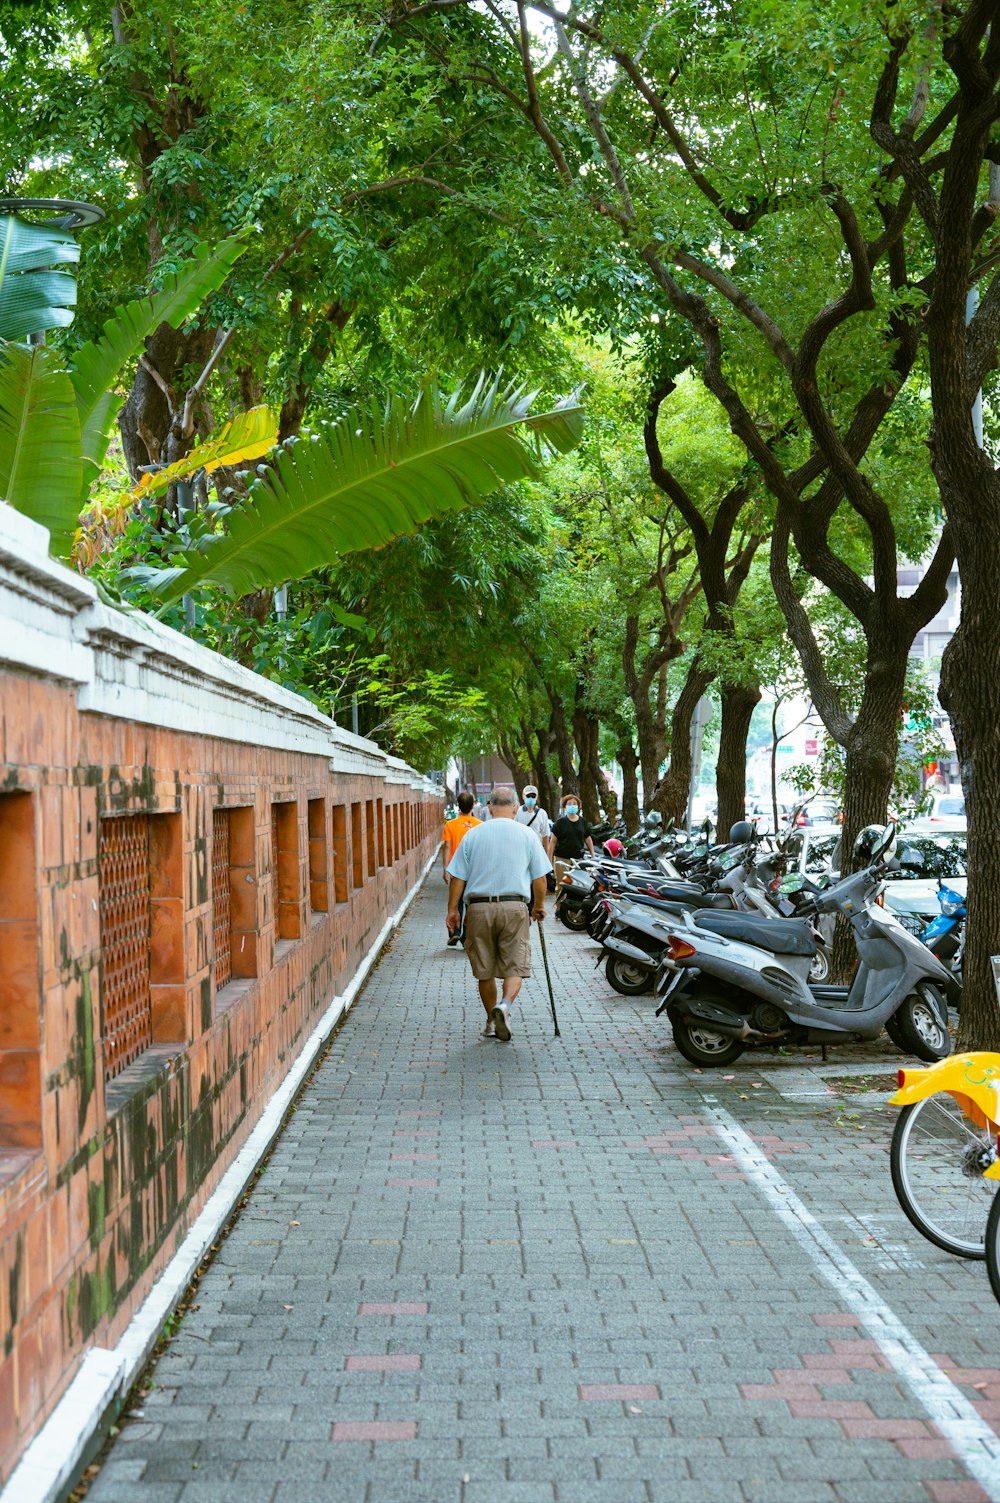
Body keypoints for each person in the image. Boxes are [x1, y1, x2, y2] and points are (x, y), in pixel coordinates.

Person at [445, 786, 552, 1041]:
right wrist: (538, 906)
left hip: (478, 909)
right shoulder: (527, 834)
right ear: (515, 808)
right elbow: (540, 879)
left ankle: (491, 1023)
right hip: (514, 907)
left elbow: (457, 877)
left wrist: (452, 911)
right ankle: (504, 1006)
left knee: (485, 969)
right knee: (515, 964)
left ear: (490, 808)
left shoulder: (474, 834)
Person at [442, 793, 481, 946]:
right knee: (470, 903)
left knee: (455, 901)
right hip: (474, 869)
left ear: (458, 806)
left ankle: (454, 932)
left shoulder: (450, 825)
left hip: (456, 870)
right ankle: (466, 935)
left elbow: (446, 847)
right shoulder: (480, 825)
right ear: (472, 806)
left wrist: (445, 868)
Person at [548, 791, 596, 887]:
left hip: (578, 860)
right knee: (561, 885)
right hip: (562, 859)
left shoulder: (582, 822)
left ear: (578, 806)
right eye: (569, 804)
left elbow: (588, 839)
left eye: (575, 804)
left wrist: (593, 856)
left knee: (577, 885)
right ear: (565, 807)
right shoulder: (560, 823)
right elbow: (552, 842)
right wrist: (549, 861)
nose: (572, 806)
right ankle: (559, 902)